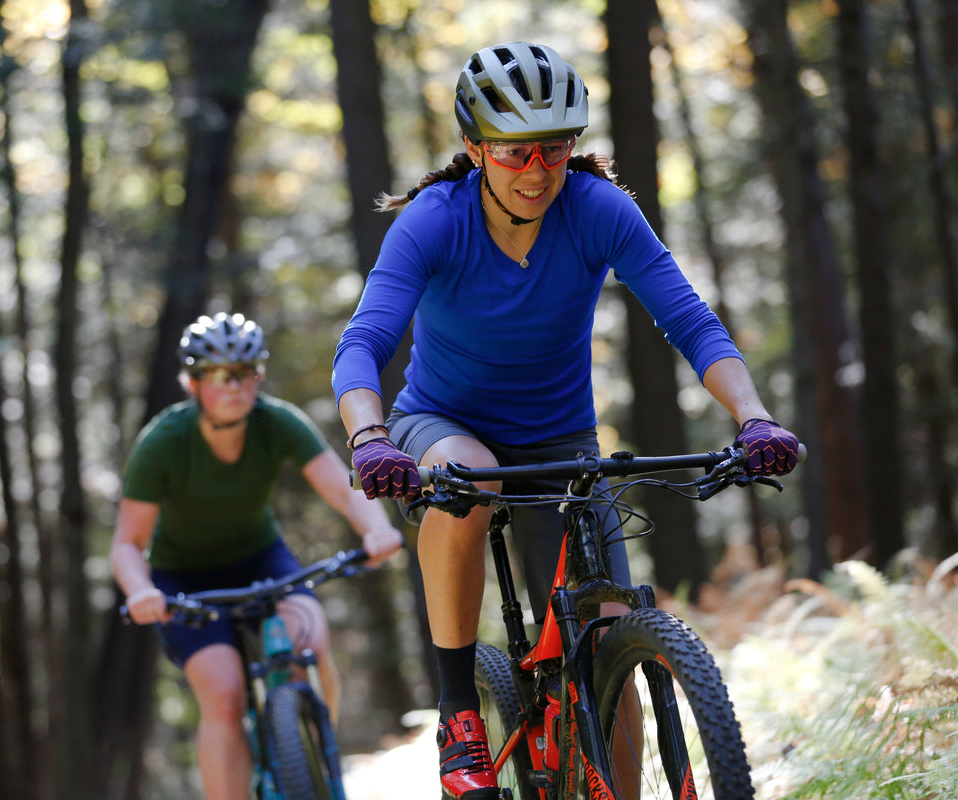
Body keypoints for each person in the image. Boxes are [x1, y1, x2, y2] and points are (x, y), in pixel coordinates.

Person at [331, 41, 799, 800]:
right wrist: (369, 437)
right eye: (514, 151)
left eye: (554, 147)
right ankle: (459, 712)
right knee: (472, 475)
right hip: (441, 424)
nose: (537, 170)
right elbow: (364, 343)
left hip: (563, 443)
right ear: (475, 148)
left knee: (610, 637)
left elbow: (691, 322)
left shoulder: (597, 209)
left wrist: (754, 419)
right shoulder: (433, 222)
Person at [112, 311, 402, 800]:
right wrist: (141, 591)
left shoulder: (278, 421)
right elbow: (126, 543)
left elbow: (342, 487)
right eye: (220, 375)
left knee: (310, 642)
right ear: (193, 384)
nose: (235, 386)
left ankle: (314, 763)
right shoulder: (163, 442)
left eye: (245, 372)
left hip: (261, 559)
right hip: (185, 579)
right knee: (223, 695)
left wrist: (377, 529)